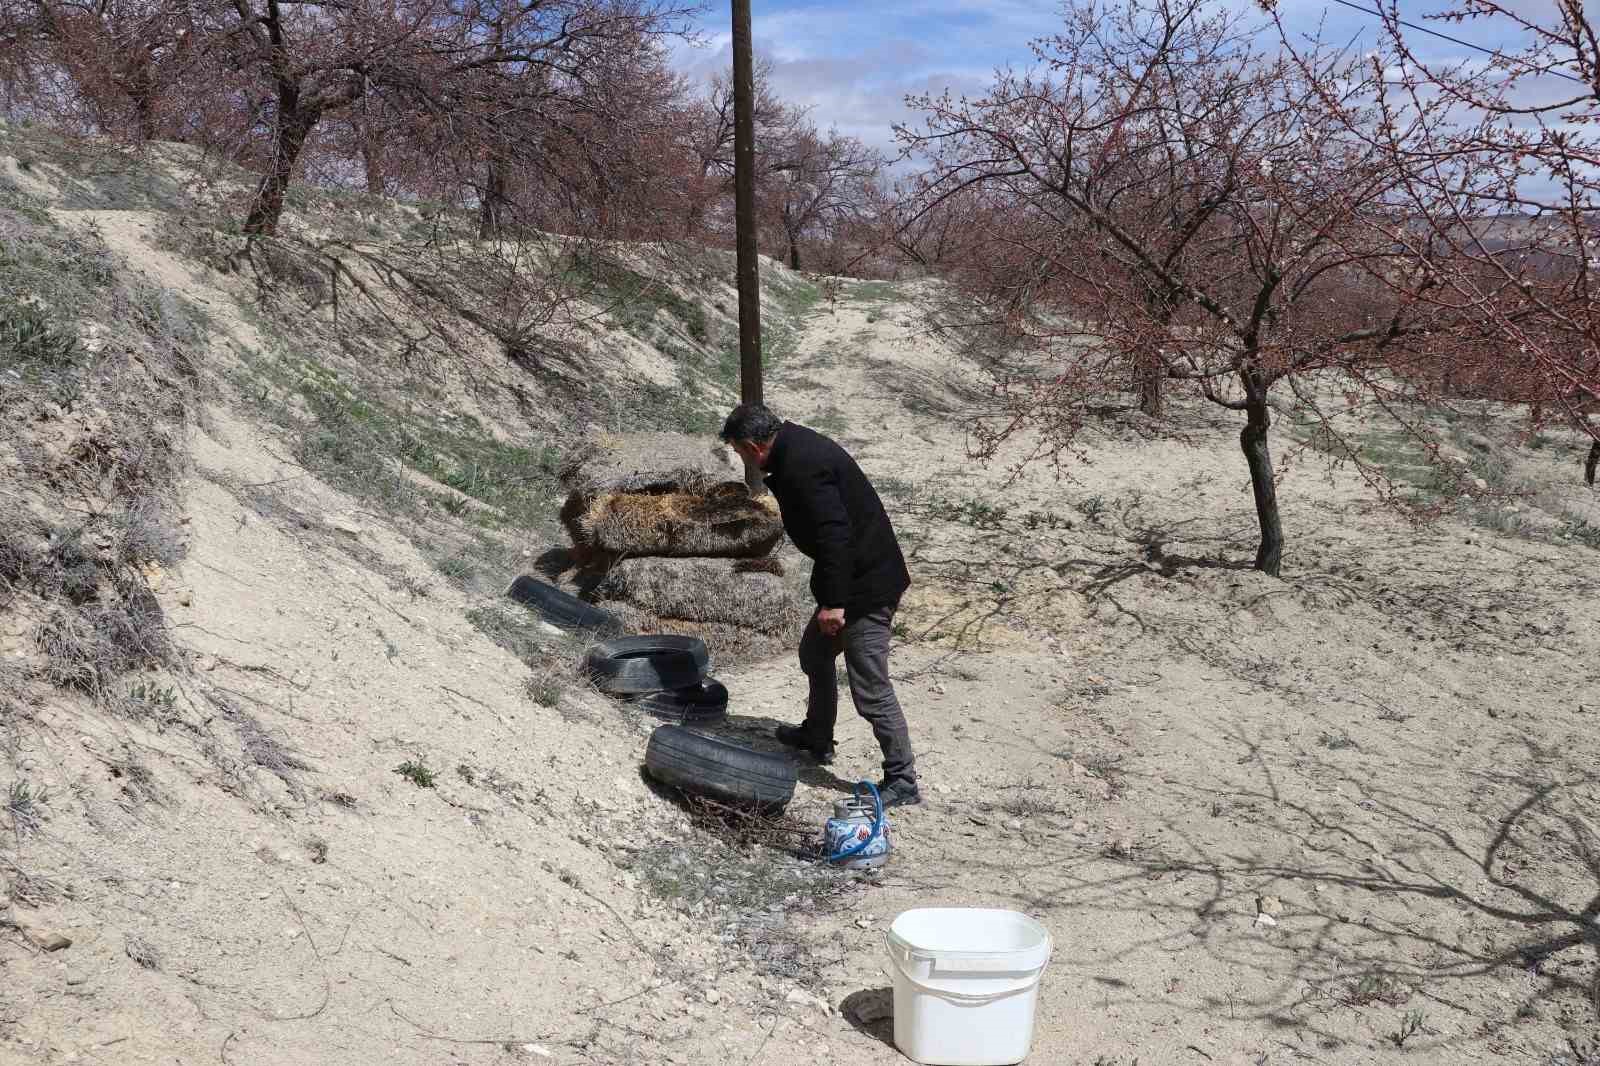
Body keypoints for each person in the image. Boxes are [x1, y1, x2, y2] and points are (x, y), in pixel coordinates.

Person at [719, 402, 922, 808]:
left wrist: (833, 603)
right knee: (815, 652)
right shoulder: (795, 447)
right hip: (854, 576)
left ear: (752, 446)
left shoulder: (803, 466)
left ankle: (902, 779)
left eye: (739, 453)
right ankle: (817, 737)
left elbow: (834, 537)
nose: (743, 460)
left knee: (870, 688)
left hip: (866, 587)